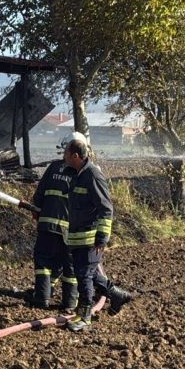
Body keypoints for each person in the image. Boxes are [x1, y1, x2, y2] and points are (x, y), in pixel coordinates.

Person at [62, 138, 133, 332]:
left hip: (90, 239)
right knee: (89, 273)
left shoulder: (92, 175)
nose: (63, 157)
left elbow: (106, 208)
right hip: (78, 239)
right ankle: (117, 295)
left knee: (84, 276)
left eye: (66, 154)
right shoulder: (77, 175)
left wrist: (102, 237)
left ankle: (84, 316)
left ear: (76, 156)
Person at [27, 133, 83, 309]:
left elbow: (39, 195)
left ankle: (42, 298)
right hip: (70, 230)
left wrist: (38, 209)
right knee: (70, 265)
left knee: (43, 260)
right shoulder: (84, 172)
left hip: (47, 226)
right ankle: (69, 303)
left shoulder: (53, 167)